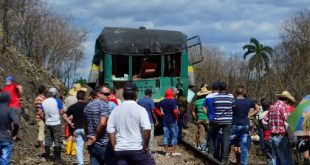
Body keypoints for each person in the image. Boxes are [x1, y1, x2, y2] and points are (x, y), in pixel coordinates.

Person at [107, 82, 156, 165]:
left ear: (123, 94)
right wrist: (145, 146)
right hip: (137, 150)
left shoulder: (115, 110)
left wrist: (114, 146)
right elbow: (147, 129)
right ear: (136, 94)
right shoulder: (141, 110)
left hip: (120, 151)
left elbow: (110, 130)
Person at [84, 86, 115, 165]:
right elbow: (103, 123)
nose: (109, 96)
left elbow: (85, 124)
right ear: (98, 94)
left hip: (92, 143)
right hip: (103, 143)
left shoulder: (87, 106)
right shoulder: (104, 105)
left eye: (109, 94)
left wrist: (88, 138)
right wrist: (96, 137)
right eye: (106, 94)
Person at [262, 90, 294, 165]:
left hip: (272, 137)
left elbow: (264, 121)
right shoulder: (284, 106)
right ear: (287, 99)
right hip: (281, 137)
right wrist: (292, 139)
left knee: (275, 160)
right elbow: (287, 123)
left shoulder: (272, 107)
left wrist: (271, 128)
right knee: (286, 161)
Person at [230, 85, 256, 165]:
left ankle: (223, 159)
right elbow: (258, 108)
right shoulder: (248, 101)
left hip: (235, 125)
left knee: (228, 141)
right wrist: (250, 115)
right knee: (243, 146)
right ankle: (243, 163)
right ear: (244, 92)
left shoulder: (233, 101)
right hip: (245, 125)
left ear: (236, 92)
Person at [39, 87, 65, 163]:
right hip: (56, 123)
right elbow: (61, 112)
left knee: (47, 139)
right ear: (55, 93)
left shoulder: (44, 101)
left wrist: (45, 119)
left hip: (47, 123)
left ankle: (47, 157)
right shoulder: (58, 101)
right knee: (57, 140)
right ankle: (57, 158)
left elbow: (40, 112)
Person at [63, 90, 88, 165]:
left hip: (77, 128)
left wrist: (70, 123)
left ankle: (80, 163)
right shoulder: (87, 105)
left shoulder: (73, 107)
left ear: (77, 97)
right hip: (86, 128)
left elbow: (64, 115)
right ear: (84, 97)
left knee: (79, 147)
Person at [211, 82, 234, 163]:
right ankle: (224, 159)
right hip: (228, 121)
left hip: (217, 120)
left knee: (216, 137)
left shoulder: (215, 97)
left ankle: (215, 154)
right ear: (226, 88)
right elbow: (233, 107)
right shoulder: (231, 97)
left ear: (219, 89)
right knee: (226, 139)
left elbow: (214, 107)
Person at [160, 88, 181, 156]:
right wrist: (176, 117)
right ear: (171, 94)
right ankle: (173, 152)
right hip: (172, 121)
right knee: (175, 135)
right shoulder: (173, 101)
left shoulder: (162, 101)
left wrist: (160, 113)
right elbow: (175, 111)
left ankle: (166, 152)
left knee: (166, 135)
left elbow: (155, 108)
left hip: (165, 121)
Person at [0, 92, 19, 165]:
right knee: (4, 160)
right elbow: (16, 123)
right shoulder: (10, 110)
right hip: (6, 139)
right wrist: (13, 134)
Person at [137, 88, 158, 153]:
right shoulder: (150, 101)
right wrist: (156, 120)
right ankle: (149, 152)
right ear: (150, 94)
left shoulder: (139, 100)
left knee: (142, 136)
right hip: (149, 121)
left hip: (140, 121)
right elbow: (152, 111)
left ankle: (142, 150)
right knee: (150, 137)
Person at [192, 84, 211, 151]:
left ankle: (200, 146)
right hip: (207, 119)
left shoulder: (196, 101)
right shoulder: (208, 100)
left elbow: (193, 112)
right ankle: (206, 147)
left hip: (200, 119)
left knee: (201, 133)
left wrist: (195, 119)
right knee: (209, 133)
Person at [202, 82, 220, 154]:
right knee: (218, 136)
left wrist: (207, 113)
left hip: (211, 118)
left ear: (212, 88)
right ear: (218, 89)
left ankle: (210, 150)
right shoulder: (220, 96)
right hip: (219, 118)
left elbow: (203, 106)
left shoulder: (208, 96)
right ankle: (216, 152)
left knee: (211, 134)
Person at [34, 85, 46, 155]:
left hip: (39, 117)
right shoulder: (41, 98)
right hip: (41, 118)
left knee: (42, 131)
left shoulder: (37, 98)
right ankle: (42, 148)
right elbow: (39, 110)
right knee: (41, 132)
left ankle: (42, 146)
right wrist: (44, 118)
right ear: (43, 90)